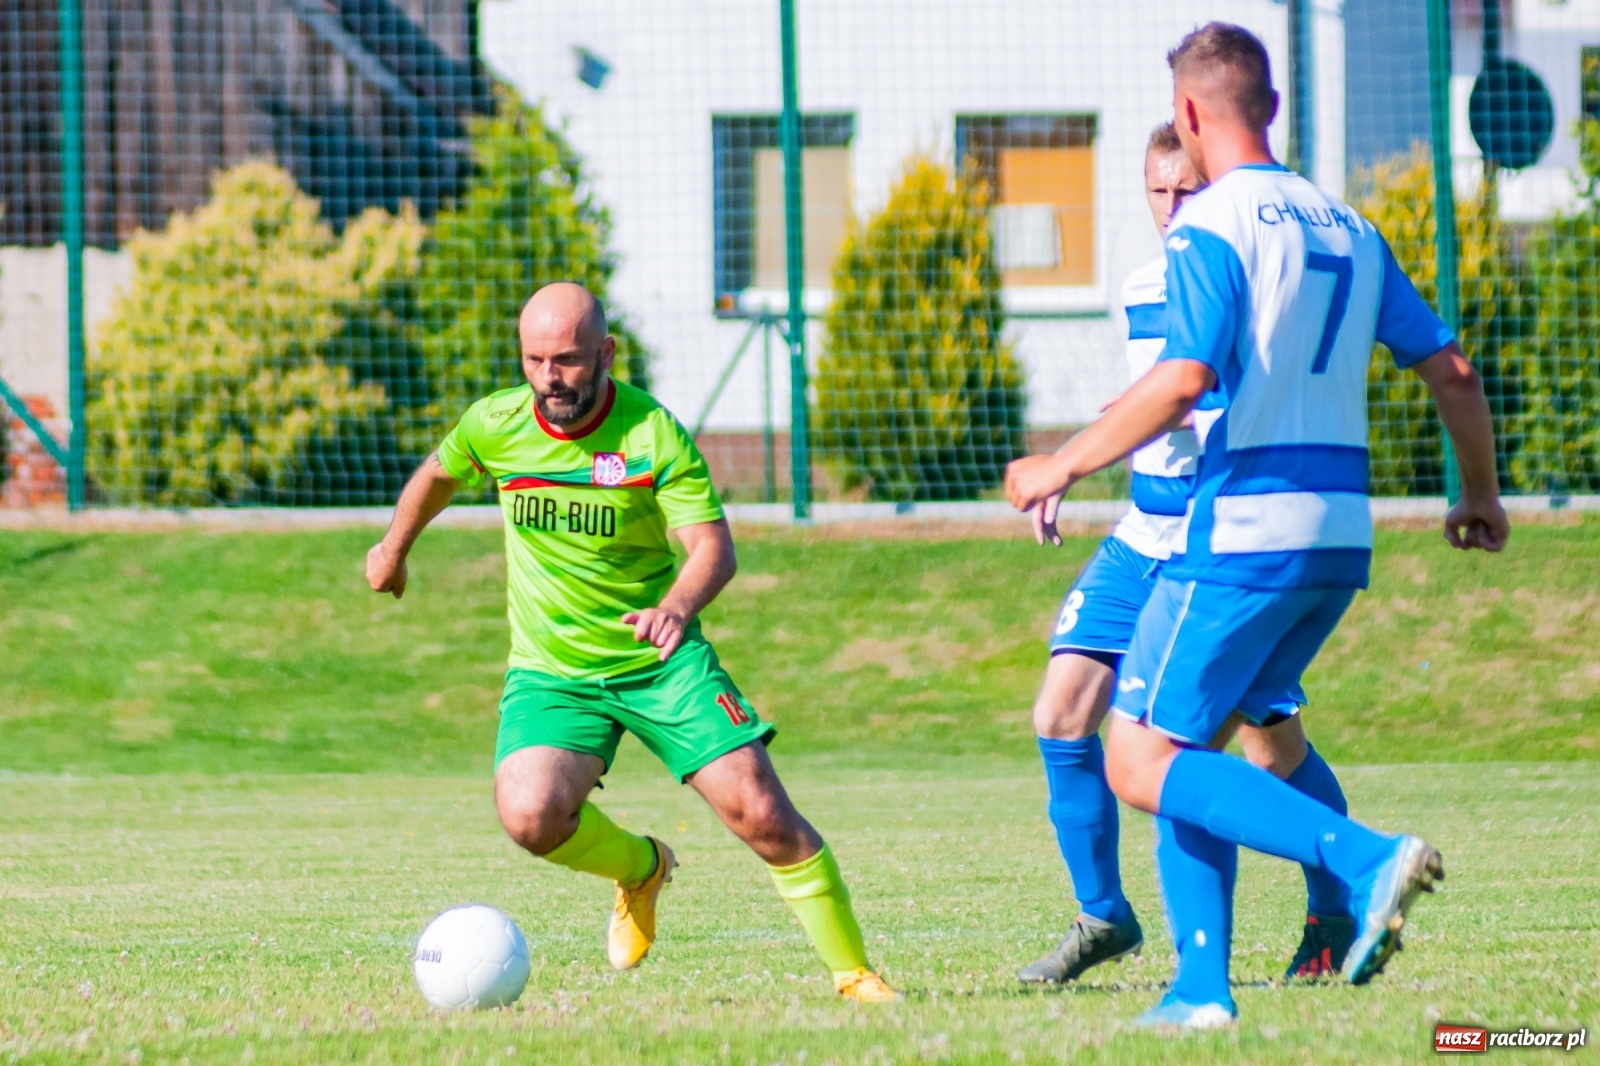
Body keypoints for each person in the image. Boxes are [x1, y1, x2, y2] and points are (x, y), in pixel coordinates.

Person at [1005, 23, 1507, 1030]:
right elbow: (1452, 371)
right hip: (1338, 534)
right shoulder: (1348, 226)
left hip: (1243, 526)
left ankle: (1362, 860)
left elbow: (1184, 378)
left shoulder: (1211, 228)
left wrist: (1059, 462)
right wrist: (1478, 496)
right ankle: (1200, 990)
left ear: (1189, 115)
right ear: (1271, 107)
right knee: (1182, 743)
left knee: (1136, 756)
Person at [366, 281, 897, 1003]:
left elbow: (712, 547)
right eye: (534, 360)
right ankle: (641, 868)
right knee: (528, 814)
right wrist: (392, 550)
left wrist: (675, 607)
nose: (550, 378)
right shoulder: (495, 423)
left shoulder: (650, 434)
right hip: (554, 672)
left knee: (762, 812)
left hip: (660, 663)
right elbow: (438, 474)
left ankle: (854, 975)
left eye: (568, 360)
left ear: (607, 353)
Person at [1019, 122, 1359, 987]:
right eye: (1158, 191)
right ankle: (1103, 914)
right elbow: (1155, 392)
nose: (1172, 207)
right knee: (1061, 712)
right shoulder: (1142, 284)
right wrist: (1087, 448)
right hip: (1144, 531)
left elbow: (1197, 393)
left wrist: (1073, 458)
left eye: (1188, 190)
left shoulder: (1245, 271)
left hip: (1223, 541)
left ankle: (1334, 906)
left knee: (1263, 744)